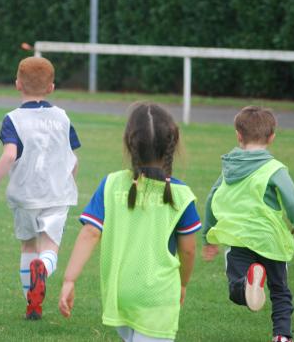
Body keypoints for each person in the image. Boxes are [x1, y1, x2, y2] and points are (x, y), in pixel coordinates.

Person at [59, 102, 200, 342]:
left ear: (129, 142)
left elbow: (90, 234)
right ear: (173, 142)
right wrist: (183, 284)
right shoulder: (182, 195)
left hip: (120, 293)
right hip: (158, 295)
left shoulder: (110, 184)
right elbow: (188, 250)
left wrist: (69, 279)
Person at [201, 106, 294, 342]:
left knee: (236, 288)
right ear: (272, 137)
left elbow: (212, 198)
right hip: (270, 240)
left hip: (239, 240)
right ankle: (282, 336)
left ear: (238, 135)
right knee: (280, 292)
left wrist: (207, 237)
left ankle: (247, 284)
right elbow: (291, 200)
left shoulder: (229, 168)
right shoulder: (275, 169)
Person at [0, 56, 80, 320]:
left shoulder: (12, 119)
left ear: (17, 84)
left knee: (27, 246)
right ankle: (43, 269)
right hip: (57, 195)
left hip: (25, 195)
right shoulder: (62, 117)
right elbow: (73, 159)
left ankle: (32, 304)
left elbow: (9, 155)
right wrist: (70, 179)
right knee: (50, 247)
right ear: (51, 88)